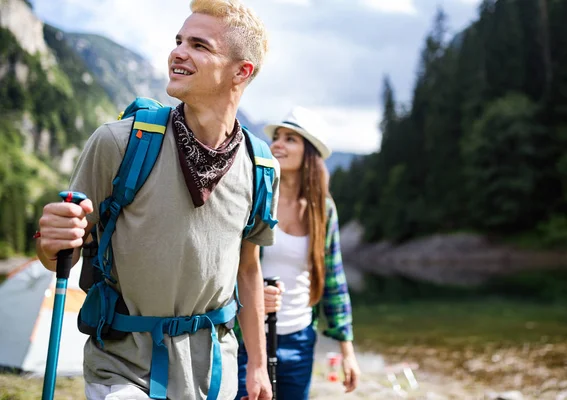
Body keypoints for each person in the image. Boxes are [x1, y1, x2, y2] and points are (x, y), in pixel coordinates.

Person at [35, 1, 278, 399]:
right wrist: (51, 242)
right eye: (179, 40)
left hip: (215, 370)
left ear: (241, 71)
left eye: (200, 45)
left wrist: (256, 365)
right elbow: (61, 256)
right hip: (122, 365)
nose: (178, 52)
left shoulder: (261, 167)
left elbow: (248, 270)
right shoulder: (119, 142)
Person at [236, 107, 360, 400]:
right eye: (277, 137)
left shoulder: (323, 210)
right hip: (247, 339)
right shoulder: (255, 197)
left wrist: (347, 349)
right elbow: (229, 267)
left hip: (300, 339)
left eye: (290, 139)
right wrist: (251, 296)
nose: (277, 143)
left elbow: (334, 280)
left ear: (310, 153)